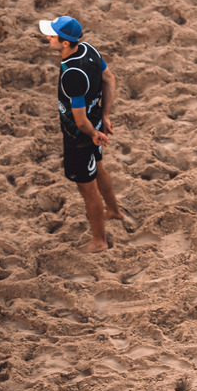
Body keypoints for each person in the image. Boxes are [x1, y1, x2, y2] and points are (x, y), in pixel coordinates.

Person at [39, 15, 123, 252]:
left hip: (80, 136)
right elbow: (109, 79)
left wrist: (93, 133)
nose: (48, 37)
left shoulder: (72, 73)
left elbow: (80, 120)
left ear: (65, 42)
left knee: (87, 189)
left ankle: (99, 241)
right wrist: (105, 116)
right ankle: (114, 211)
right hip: (95, 121)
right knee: (99, 167)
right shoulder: (89, 49)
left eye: (52, 35)